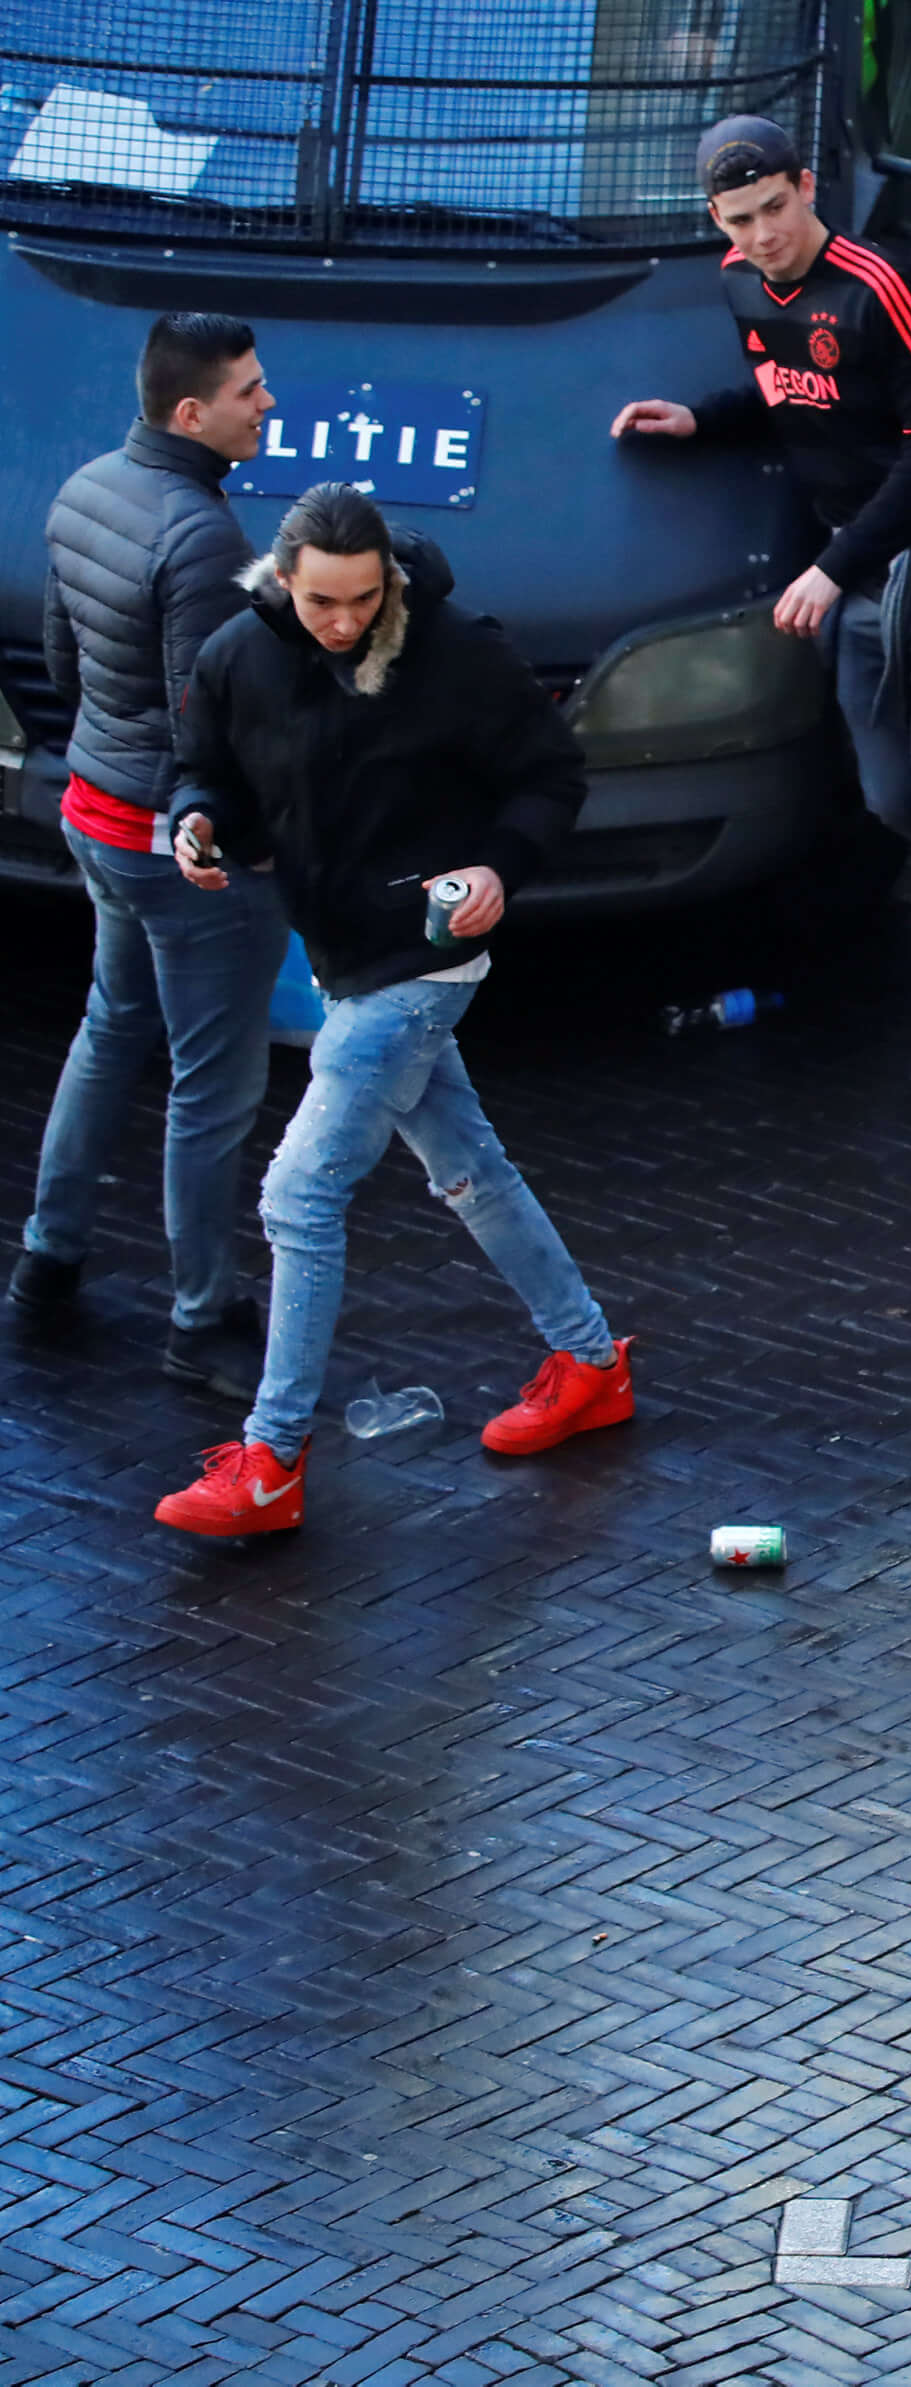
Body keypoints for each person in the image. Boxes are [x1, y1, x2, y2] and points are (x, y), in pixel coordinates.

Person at [149, 488, 632, 1535]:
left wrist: (501, 867)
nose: (345, 622)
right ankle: (592, 1361)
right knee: (470, 1169)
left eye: (365, 599)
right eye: (323, 601)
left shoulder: (456, 651)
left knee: (297, 1198)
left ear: (389, 580)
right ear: (284, 580)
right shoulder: (239, 654)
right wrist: (196, 824)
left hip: (425, 957)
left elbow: (550, 778)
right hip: (337, 954)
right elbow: (209, 772)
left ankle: (273, 1459)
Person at [613, 116, 911, 1100]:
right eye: (740, 219)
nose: (763, 235)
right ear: (715, 221)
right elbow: (792, 386)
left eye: (775, 208)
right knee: (891, 793)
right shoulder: (738, 283)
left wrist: (832, 566)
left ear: (808, 188)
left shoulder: (881, 287)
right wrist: (703, 418)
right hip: (863, 566)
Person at [12, 312, 289, 1399]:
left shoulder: (84, 486)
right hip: (176, 849)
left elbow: (58, 657)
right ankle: (203, 1313)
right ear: (193, 412)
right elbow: (202, 724)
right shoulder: (204, 536)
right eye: (250, 390)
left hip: (92, 812)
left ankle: (48, 1259)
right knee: (211, 1087)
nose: (267, 404)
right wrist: (244, 839)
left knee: (108, 1025)